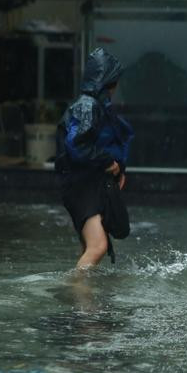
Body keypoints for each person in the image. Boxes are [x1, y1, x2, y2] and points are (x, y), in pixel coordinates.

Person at [55, 47, 133, 268]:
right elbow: (78, 144)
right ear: (109, 82)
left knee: (93, 246)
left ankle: (86, 298)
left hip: (86, 184)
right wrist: (109, 163)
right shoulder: (88, 106)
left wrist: (117, 168)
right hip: (81, 186)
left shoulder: (91, 106)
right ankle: (75, 290)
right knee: (97, 247)